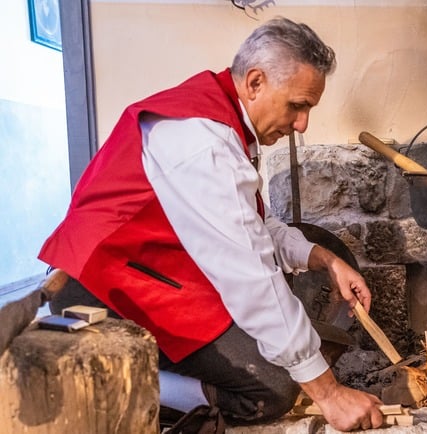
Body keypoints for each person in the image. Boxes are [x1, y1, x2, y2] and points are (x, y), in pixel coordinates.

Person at [38, 17, 384, 432]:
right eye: (297, 105)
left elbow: (257, 224)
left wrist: (324, 259)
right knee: (271, 388)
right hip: (101, 293)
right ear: (255, 83)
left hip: (148, 277)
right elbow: (250, 276)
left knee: (277, 358)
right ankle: (100, 377)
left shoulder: (220, 120)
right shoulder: (201, 142)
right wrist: (328, 394)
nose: (302, 124)